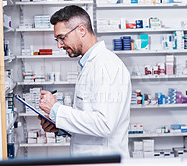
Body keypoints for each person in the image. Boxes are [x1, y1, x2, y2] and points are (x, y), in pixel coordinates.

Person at [38, 5, 131, 158]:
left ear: (81, 30)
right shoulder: (89, 64)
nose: (59, 45)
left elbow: (104, 124)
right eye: (57, 39)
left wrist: (57, 110)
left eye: (62, 38)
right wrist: (59, 124)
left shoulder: (106, 65)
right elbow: (89, 117)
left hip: (103, 158)